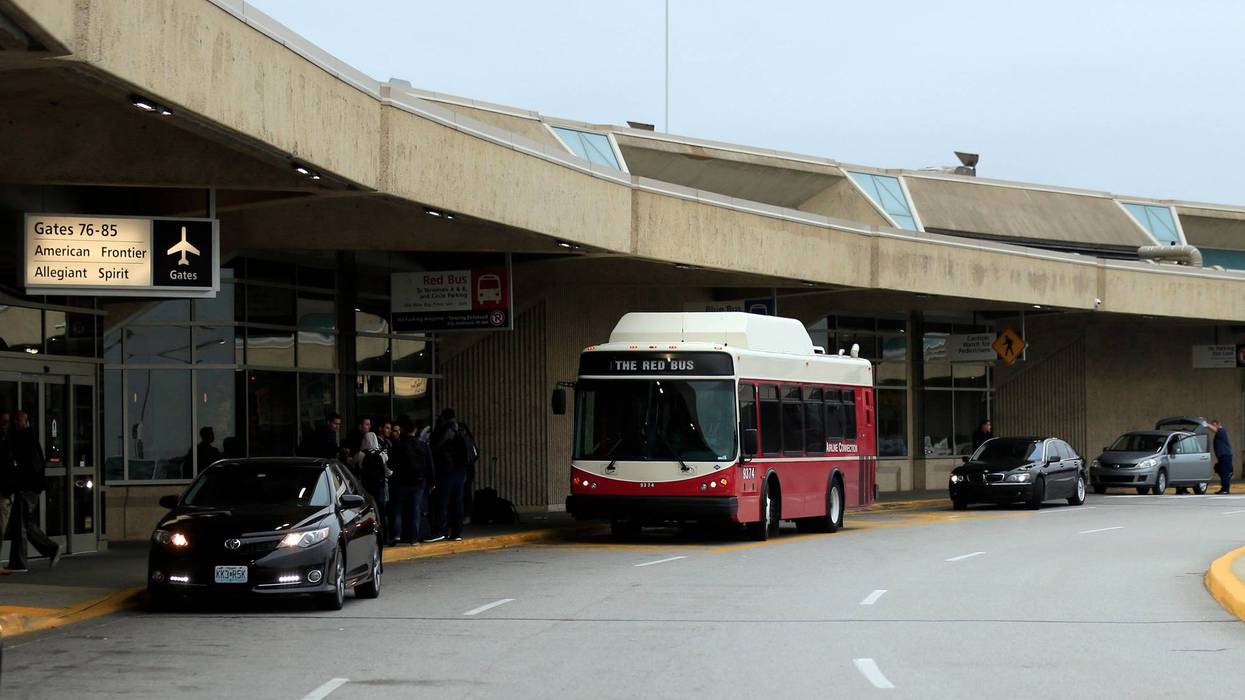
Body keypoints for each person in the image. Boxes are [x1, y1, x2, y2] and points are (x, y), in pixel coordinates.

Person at [7, 411, 60, 572]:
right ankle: (51, 549)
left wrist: (22, 484)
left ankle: (19, 563)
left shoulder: (25, 439)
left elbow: (31, 466)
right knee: (27, 524)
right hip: (29, 487)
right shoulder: (26, 437)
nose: (15, 423)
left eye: (18, 420)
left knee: (20, 525)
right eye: (14, 420)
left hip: (27, 488)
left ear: (26, 422)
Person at [430, 408, 477, 542]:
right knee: (458, 501)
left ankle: (441, 530)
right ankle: (457, 532)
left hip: (446, 469)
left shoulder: (444, 429)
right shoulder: (463, 428)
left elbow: (435, 447)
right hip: (461, 470)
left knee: (442, 501)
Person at [387, 417, 434, 545]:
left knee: (397, 509)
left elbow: (390, 464)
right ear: (415, 430)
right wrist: (431, 482)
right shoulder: (423, 445)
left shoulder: (398, 445)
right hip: (418, 483)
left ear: (402, 429)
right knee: (415, 510)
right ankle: (414, 538)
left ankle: (396, 534)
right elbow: (430, 465)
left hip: (400, 482)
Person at [349, 431, 390, 544]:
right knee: (381, 511)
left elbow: (351, 462)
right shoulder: (382, 454)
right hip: (379, 487)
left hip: (365, 487)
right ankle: (383, 537)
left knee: (366, 512)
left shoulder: (361, 454)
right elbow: (387, 471)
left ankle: (367, 537)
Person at [0, 412, 16, 575]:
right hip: (4, 492)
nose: (6, 425)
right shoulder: (5, 441)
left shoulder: (7, 440)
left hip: (6, 491)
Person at [1209, 419, 1233, 494]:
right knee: (1219, 469)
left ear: (1217, 424)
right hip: (1222, 457)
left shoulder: (1222, 431)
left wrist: (1205, 424)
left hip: (1225, 456)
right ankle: (1224, 488)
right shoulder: (1220, 432)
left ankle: (1225, 490)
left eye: (1213, 425)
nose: (1212, 427)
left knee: (1224, 473)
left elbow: (1214, 429)